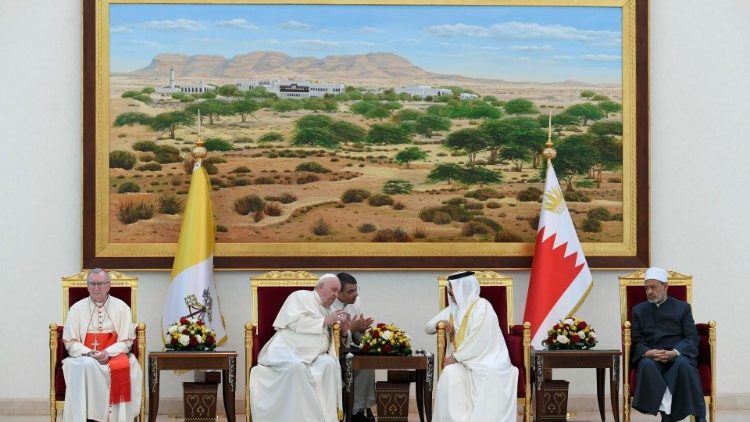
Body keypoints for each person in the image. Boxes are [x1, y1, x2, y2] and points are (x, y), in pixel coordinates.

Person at [250, 273, 351, 422]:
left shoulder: (330, 310)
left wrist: (344, 331)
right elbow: (294, 323)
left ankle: (327, 419)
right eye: (333, 290)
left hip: (314, 356)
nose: (336, 295)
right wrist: (325, 321)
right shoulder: (300, 297)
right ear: (320, 287)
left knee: (330, 364)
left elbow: (334, 343)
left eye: (338, 291)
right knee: (296, 369)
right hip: (288, 349)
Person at [425, 271, 518, 422]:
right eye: (449, 293)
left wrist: (456, 357)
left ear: (463, 289)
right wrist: (439, 323)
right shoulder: (452, 310)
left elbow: (479, 338)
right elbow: (428, 327)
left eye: (452, 293)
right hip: (463, 362)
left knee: (489, 373)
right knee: (450, 374)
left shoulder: (482, 306)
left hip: (487, 358)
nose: (450, 296)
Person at [62, 268, 142, 422]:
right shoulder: (76, 309)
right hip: (85, 356)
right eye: (92, 284)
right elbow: (70, 342)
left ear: (108, 285)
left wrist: (107, 353)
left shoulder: (122, 308)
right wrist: (88, 353)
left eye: (100, 283)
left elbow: (127, 342)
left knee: (130, 367)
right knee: (81, 365)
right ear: (87, 286)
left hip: (115, 355)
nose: (96, 287)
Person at [630, 267, 707, 422]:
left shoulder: (683, 308)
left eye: (653, 287)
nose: (649, 291)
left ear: (665, 286)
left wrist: (675, 352)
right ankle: (667, 415)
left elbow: (691, 337)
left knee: (683, 365)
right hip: (652, 356)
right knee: (646, 365)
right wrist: (648, 352)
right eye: (646, 288)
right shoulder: (638, 310)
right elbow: (636, 340)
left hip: (678, 354)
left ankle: (697, 415)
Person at [333, 272, 376, 422]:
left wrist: (362, 332)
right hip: (334, 351)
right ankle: (348, 411)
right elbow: (328, 336)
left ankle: (356, 411)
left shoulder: (355, 302)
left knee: (367, 363)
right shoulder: (328, 304)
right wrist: (350, 329)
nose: (356, 294)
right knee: (356, 363)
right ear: (338, 292)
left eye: (356, 290)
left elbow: (357, 337)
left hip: (349, 349)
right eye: (350, 291)